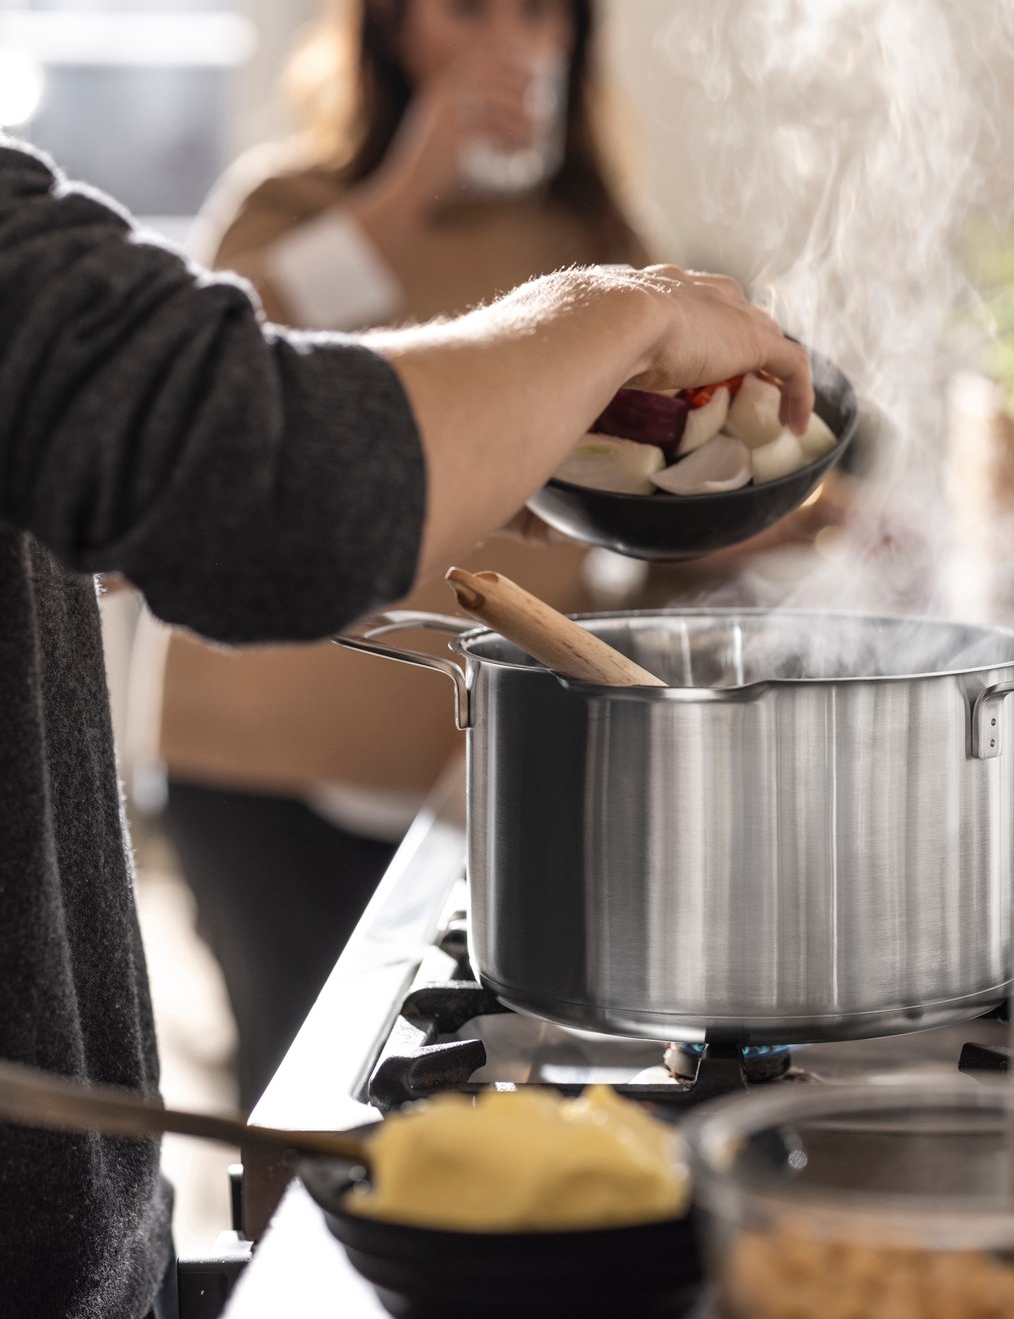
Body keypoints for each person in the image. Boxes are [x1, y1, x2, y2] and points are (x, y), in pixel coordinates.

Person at [0, 135, 809, 1319]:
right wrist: (615, 313)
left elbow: (91, 485)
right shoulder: (302, 194)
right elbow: (259, 465)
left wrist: (516, 452)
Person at [153, 0, 655, 1107]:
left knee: (467, 1104)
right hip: (267, 767)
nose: (510, 39)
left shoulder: (588, 237)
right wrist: (407, 191)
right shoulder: (288, 201)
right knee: (306, 1099)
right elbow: (230, 372)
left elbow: (616, 480)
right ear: (387, 12)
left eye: (540, 7)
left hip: (486, 773)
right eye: (467, 2)